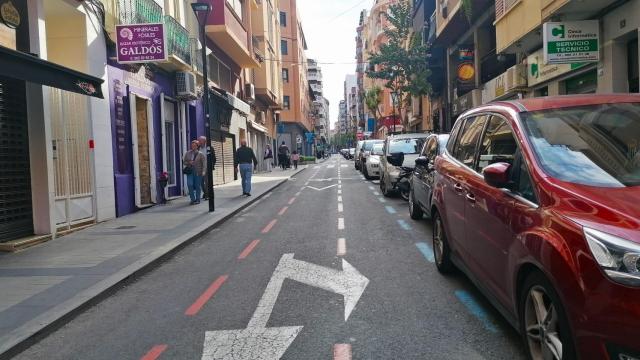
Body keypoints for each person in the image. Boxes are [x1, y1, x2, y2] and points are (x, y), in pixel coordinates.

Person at [183, 140, 206, 205]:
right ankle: (192, 199)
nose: (193, 147)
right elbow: (184, 162)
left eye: (194, 145)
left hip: (198, 172)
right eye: (192, 145)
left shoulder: (200, 154)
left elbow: (204, 163)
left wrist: (203, 171)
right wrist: (189, 162)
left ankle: (198, 199)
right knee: (189, 184)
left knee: (197, 186)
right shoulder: (188, 153)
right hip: (190, 171)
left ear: (197, 146)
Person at [198, 135, 216, 201]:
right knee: (201, 182)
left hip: (207, 167)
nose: (199, 142)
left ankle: (207, 194)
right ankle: (206, 193)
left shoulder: (209, 148)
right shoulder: (198, 148)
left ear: (204, 141)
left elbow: (214, 158)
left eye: (200, 140)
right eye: (199, 140)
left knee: (207, 182)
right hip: (199, 168)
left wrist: (212, 165)